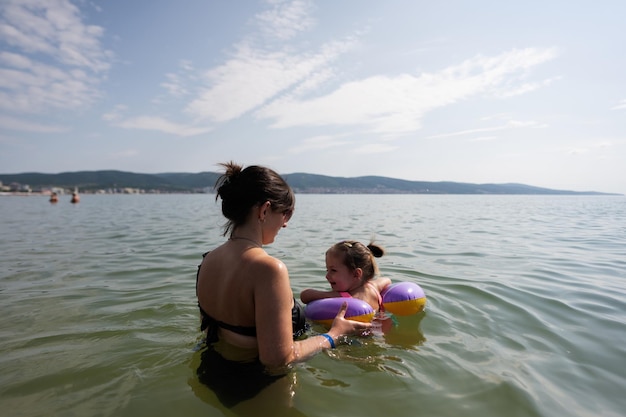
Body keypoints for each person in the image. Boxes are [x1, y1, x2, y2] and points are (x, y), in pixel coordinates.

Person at [195, 162, 370, 408]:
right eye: (285, 214)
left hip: (209, 372)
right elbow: (278, 359)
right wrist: (333, 335)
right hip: (258, 388)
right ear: (265, 210)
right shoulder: (269, 269)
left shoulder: (208, 260)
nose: (286, 223)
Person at [300, 240, 392, 313]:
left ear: (356, 274)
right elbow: (387, 280)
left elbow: (305, 296)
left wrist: (326, 295)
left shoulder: (342, 297)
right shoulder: (374, 287)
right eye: (327, 270)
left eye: (333, 270)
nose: (327, 276)